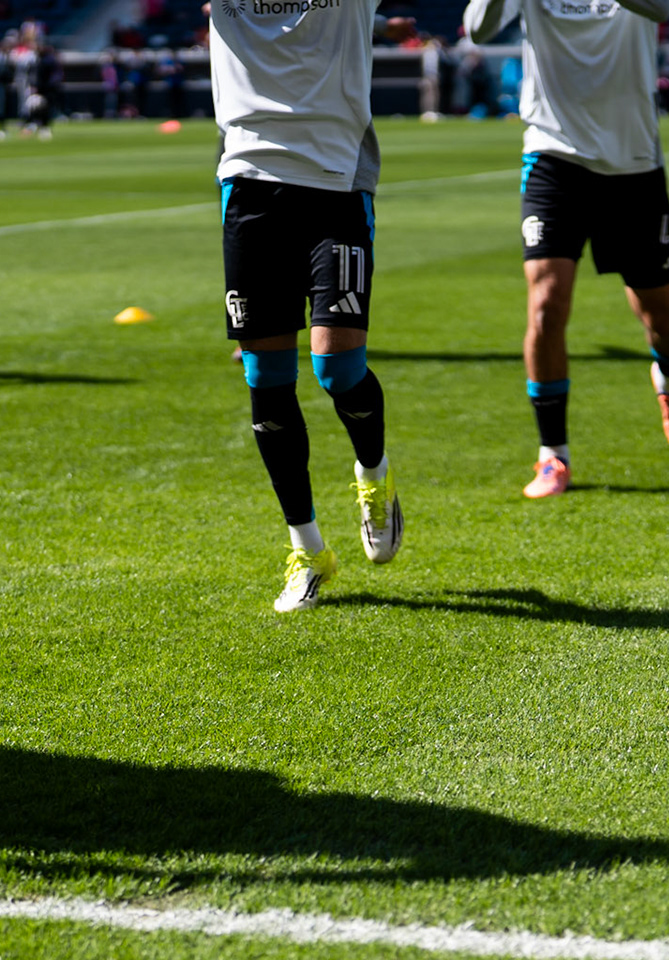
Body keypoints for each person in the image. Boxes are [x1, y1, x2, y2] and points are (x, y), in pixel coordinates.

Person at [211, 0, 416, 610]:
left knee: (337, 368)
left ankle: (373, 475)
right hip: (249, 184)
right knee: (267, 383)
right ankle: (309, 551)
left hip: (336, 185)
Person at [464, 0, 669, 500]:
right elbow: (477, 29)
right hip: (553, 157)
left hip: (632, 165)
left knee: (665, 321)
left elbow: (661, 8)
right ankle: (554, 454)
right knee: (546, 303)